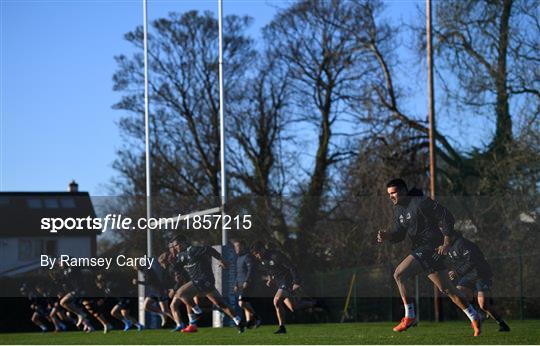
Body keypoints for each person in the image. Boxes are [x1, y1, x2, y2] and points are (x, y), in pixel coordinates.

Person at [377, 178, 482, 336]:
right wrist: (388, 236)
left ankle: (410, 316)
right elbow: (399, 234)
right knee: (447, 289)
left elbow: (446, 216)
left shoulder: (420, 202)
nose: (391, 196)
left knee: (399, 274)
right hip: (423, 249)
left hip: (431, 247)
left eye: (394, 193)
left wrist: (446, 239)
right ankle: (474, 316)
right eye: (389, 194)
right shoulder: (398, 209)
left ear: (404, 191)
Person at [170, 235, 245, 333]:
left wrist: (222, 260)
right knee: (221, 304)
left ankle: (197, 313)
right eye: (174, 246)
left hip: (204, 279)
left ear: (183, 242)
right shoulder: (180, 255)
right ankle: (239, 321)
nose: (175, 247)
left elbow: (209, 249)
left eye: (177, 245)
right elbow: (178, 267)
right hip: (200, 282)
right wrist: (172, 264)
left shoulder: (193, 250)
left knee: (180, 294)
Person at [445, 232, 510, 332]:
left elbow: (472, 261)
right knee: (458, 294)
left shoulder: (463, 243)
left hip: (481, 274)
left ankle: (502, 324)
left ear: (451, 236)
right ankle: (477, 314)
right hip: (468, 276)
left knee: (483, 304)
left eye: (445, 236)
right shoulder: (449, 248)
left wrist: (456, 272)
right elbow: (458, 263)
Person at [250, 241, 315, 334]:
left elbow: (291, 267)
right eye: (255, 254)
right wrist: (270, 279)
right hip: (279, 283)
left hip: (287, 281)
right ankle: (313, 303)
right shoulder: (263, 260)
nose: (256, 256)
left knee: (276, 301)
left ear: (262, 249)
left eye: (257, 253)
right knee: (293, 307)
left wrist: (296, 281)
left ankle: (282, 328)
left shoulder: (276, 255)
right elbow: (270, 270)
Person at [232, 239, 262, 329]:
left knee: (241, 303)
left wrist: (247, 281)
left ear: (243, 246)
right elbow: (238, 273)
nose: (236, 248)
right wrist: (236, 284)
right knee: (245, 303)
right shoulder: (238, 258)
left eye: (238, 246)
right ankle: (250, 323)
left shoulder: (247, 256)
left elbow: (250, 270)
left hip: (247, 284)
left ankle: (257, 318)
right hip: (240, 284)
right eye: (235, 247)